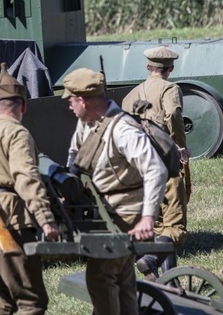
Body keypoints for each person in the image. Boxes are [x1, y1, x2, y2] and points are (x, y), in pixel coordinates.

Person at [64, 67, 167, 315]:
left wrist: (147, 217)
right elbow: (74, 156)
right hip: (104, 211)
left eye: (70, 100)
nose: (68, 106)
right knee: (122, 278)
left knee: (100, 277)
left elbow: (156, 170)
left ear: (83, 100)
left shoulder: (123, 130)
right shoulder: (87, 122)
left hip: (127, 213)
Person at [0, 63, 60, 315]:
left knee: (5, 298)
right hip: (6, 218)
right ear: (24, 106)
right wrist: (46, 219)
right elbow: (25, 177)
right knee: (31, 301)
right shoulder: (17, 133)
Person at [121, 46, 189, 280]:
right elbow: (172, 115)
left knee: (159, 224)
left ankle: (169, 278)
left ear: (148, 67)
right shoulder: (170, 88)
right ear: (170, 68)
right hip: (164, 161)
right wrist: (180, 145)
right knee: (174, 224)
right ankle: (150, 260)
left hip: (138, 166)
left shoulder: (131, 95)